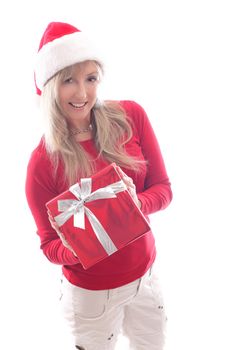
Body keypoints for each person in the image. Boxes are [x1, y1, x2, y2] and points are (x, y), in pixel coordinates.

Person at [25, 21, 173, 350]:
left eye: (90, 78)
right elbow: (49, 245)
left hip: (145, 280)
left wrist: (137, 204)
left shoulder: (131, 116)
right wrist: (75, 251)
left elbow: (163, 189)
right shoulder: (42, 163)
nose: (82, 93)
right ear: (50, 87)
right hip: (91, 299)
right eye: (68, 81)